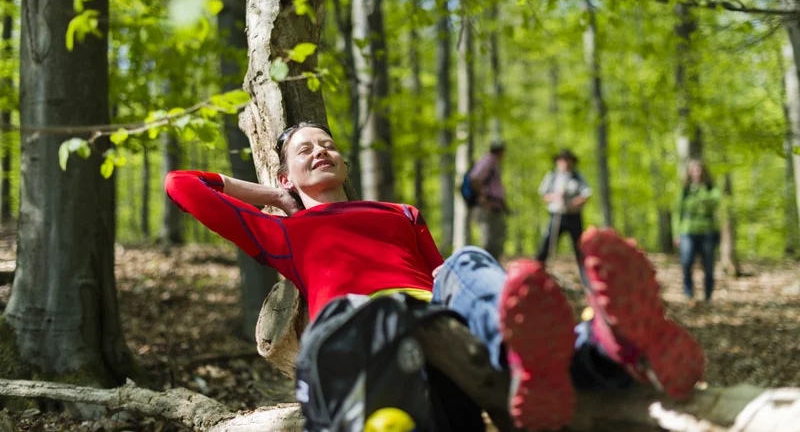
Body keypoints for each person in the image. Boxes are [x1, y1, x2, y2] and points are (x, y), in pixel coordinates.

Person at [165, 122, 704, 432]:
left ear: (344, 163)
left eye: (326, 144)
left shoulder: (400, 212)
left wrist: (454, 289)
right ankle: (601, 348)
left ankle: (598, 346)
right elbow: (182, 184)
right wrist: (272, 197)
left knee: (466, 261)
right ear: (288, 174)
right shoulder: (285, 232)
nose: (320, 151)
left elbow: (439, 270)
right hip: (364, 323)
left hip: (432, 304)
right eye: (304, 150)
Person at [673, 159, 721, 304]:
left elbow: (716, 201)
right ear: (689, 172)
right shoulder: (685, 190)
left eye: (699, 170)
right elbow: (677, 211)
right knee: (687, 261)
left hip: (708, 231)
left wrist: (702, 193)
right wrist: (676, 233)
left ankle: (708, 295)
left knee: (708, 264)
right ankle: (689, 293)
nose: (697, 173)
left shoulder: (711, 188)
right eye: (693, 170)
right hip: (687, 231)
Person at [536, 149, 592, 267]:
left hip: (574, 216)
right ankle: (537, 270)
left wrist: (573, 203)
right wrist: (555, 196)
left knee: (580, 248)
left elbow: (586, 194)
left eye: (568, 160)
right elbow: (544, 195)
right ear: (558, 162)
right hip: (556, 215)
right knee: (547, 245)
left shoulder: (577, 176)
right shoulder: (552, 176)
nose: (565, 163)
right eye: (562, 160)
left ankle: (587, 276)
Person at [469, 141, 508, 259]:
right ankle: (486, 265)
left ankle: (493, 264)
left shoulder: (492, 162)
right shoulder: (488, 161)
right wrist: (484, 199)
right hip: (488, 206)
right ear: (500, 152)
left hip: (495, 206)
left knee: (496, 237)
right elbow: (475, 179)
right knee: (489, 239)